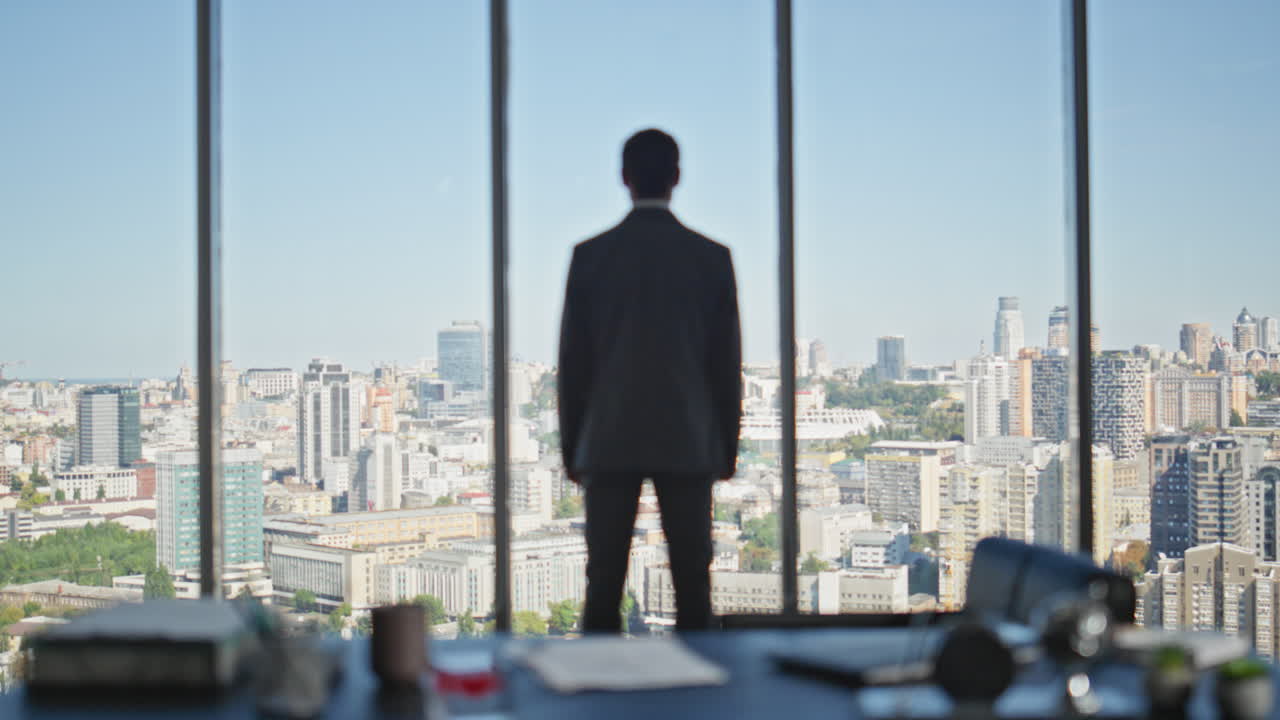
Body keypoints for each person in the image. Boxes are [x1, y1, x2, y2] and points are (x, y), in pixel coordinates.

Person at [558, 128, 742, 633]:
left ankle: (598, 683)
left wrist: (573, 452)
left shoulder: (590, 257)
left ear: (624, 177)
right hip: (687, 437)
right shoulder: (711, 258)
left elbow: (574, 366)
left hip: (608, 437)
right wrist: (725, 451)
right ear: (677, 177)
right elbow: (725, 366)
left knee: (602, 586)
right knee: (693, 585)